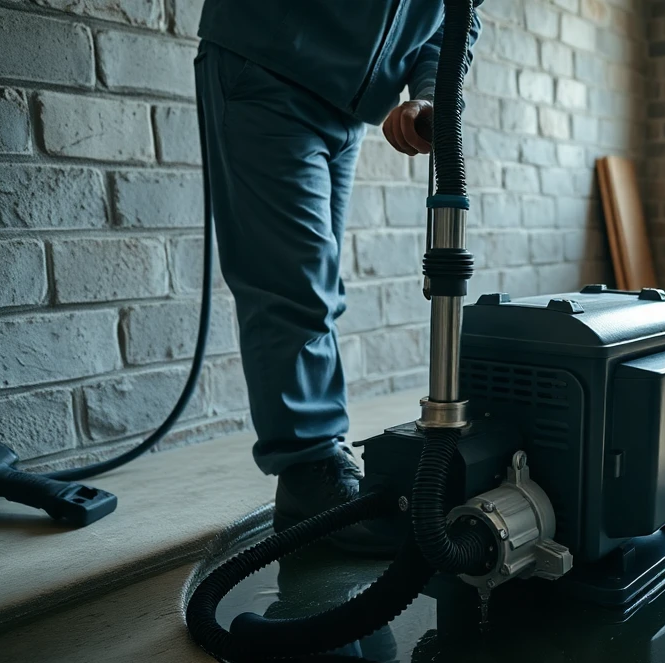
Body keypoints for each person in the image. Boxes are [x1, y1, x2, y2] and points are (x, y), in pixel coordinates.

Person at [195, 1, 482, 551]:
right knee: (293, 286)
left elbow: (454, 18)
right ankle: (309, 476)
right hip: (269, 66)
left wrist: (427, 93)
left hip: (348, 107)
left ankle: (317, 468)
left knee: (317, 289)